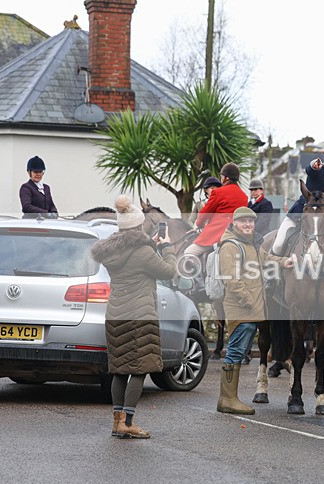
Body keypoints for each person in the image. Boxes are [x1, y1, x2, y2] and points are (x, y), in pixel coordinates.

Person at [90, 195, 176, 439]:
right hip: (139, 317)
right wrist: (167, 247)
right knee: (139, 369)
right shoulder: (144, 253)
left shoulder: (111, 253)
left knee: (120, 370)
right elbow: (169, 271)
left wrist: (152, 246)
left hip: (116, 316)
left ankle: (117, 422)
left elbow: (135, 254)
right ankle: (128, 422)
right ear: (139, 226)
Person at [216, 207, 292, 414]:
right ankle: (228, 399)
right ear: (234, 223)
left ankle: (228, 398)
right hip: (242, 310)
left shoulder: (250, 245)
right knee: (235, 353)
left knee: (238, 352)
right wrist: (249, 301)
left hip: (252, 309)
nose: (248, 225)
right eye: (243, 222)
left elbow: (267, 258)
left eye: (251, 221)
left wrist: (284, 261)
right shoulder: (231, 246)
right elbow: (232, 281)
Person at [271, 141, 324, 254]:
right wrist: (313, 166)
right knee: (278, 245)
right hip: (298, 215)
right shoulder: (318, 171)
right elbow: (310, 171)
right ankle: (273, 269)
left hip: (323, 220)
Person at [184, 163, 248, 265]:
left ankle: (198, 281)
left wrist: (200, 225)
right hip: (236, 237)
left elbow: (204, 215)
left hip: (216, 236)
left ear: (226, 177)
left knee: (188, 253)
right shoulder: (244, 196)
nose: (221, 178)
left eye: (222, 176)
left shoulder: (218, 192)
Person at [248, 178, 273, 244]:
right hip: (250, 234)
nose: (253, 191)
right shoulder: (249, 204)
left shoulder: (266, 204)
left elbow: (263, 221)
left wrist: (251, 230)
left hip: (262, 236)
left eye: (255, 189)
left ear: (262, 190)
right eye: (251, 190)